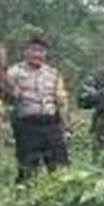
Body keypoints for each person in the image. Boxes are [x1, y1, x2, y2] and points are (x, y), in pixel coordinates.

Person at [7, 28, 70, 182]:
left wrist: (66, 128)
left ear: (46, 53)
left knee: (60, 169)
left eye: (41, 51)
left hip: (51, 125)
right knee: (27, 171)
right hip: (27, 126)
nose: (37, 54)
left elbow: (61, 102)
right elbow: (5, 100)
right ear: (25, 52)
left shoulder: (53, 73)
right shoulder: (13, 72)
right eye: (33, 50)